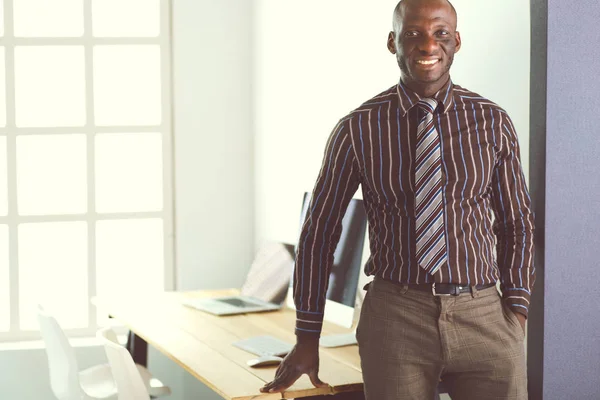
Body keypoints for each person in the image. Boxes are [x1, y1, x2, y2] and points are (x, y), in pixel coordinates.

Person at [260, 0, 534, 398]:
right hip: (395, 318)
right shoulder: (358, 128)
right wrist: (307, 335)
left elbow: (517, 223)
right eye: (413, 34)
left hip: (484, 315)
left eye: (440, 33)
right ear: (392, 42)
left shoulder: (492, 121)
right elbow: (319, 233)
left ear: (456, 41)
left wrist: (516, 312)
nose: (428, 45)